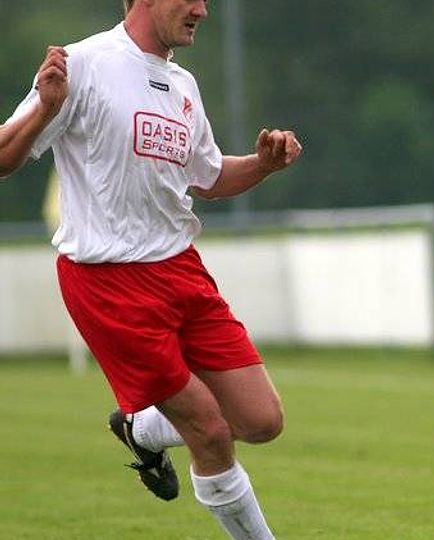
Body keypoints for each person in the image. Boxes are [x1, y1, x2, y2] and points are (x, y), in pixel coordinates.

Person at [0, 1, 302, 538]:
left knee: (262, 420)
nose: (202, 10)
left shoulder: (183, 85)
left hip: (180, 269)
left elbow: (208, 178)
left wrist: (263, 164)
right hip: (108, 281)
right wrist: (46, 109)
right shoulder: (84, 63)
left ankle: (143, 428)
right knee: (210, 431)